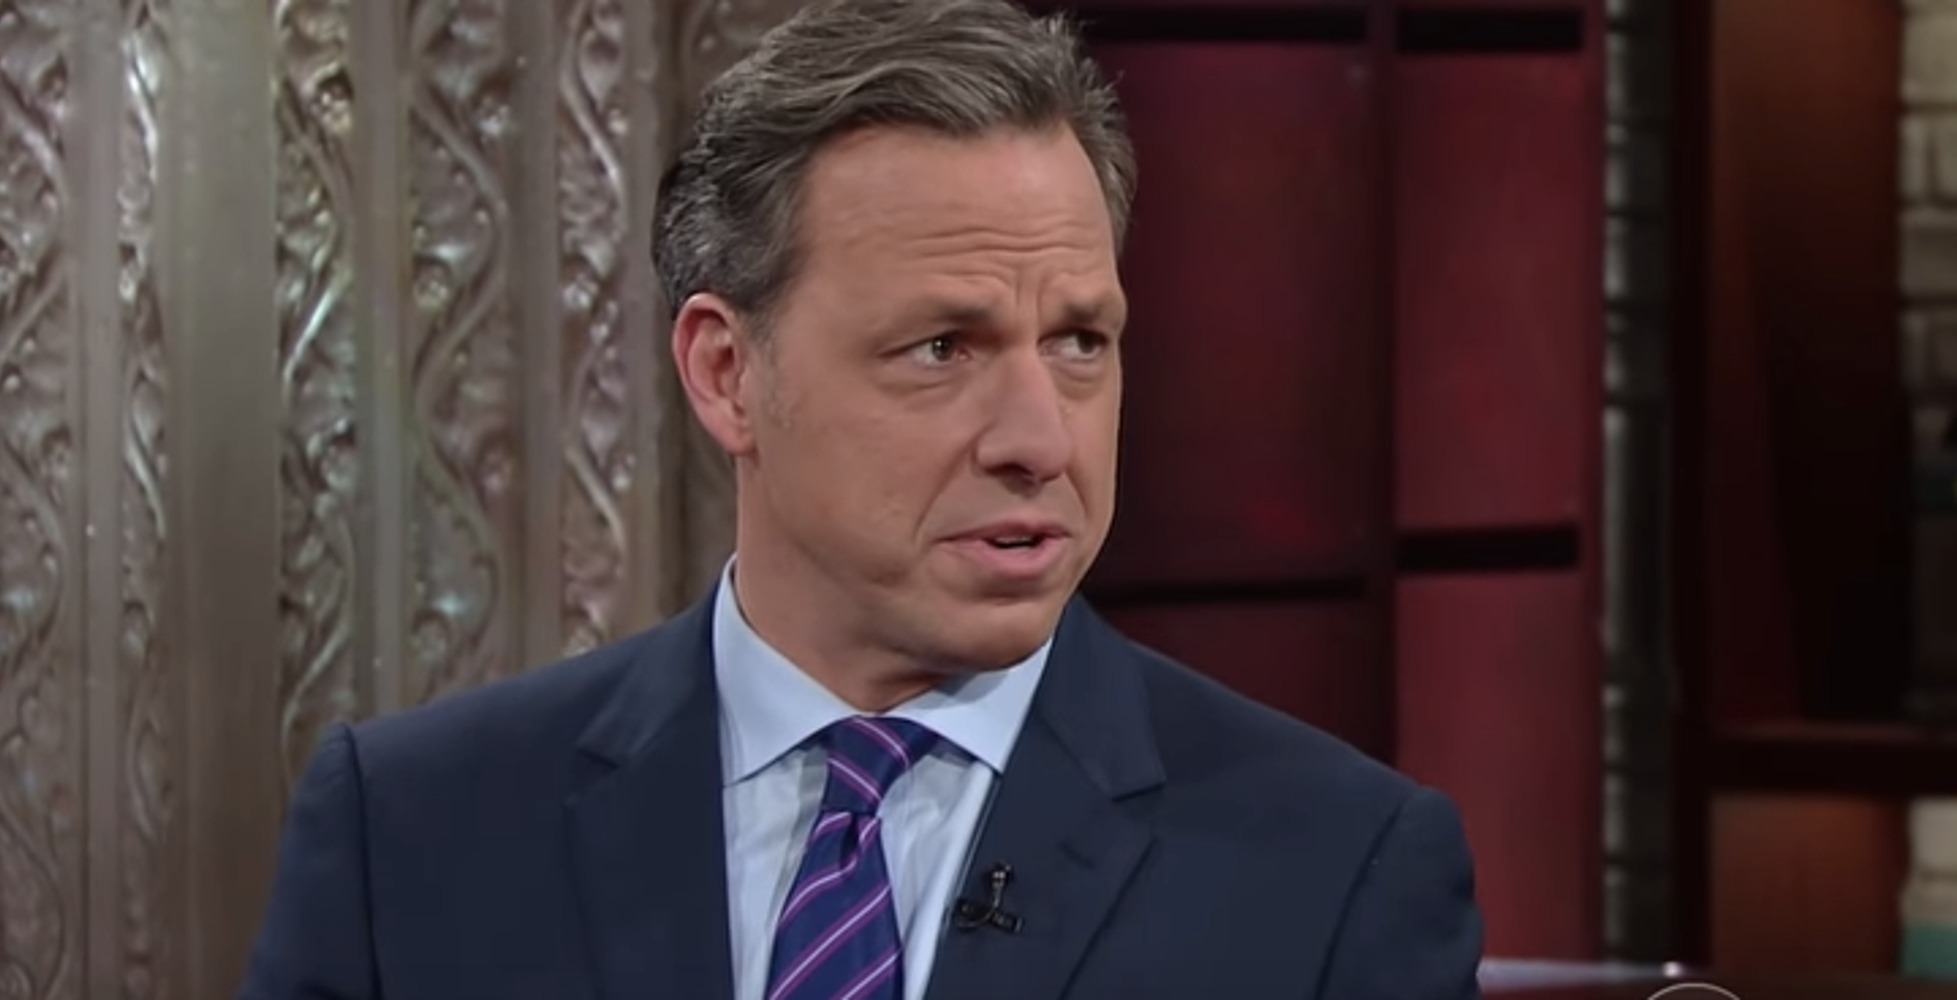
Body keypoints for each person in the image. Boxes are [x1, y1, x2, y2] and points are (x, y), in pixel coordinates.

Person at [237, 0, 1484, 995]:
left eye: (1078, 342)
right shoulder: (412, 834)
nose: (1039, 440)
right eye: (942, 347)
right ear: (726, 373)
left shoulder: (1333, 878)